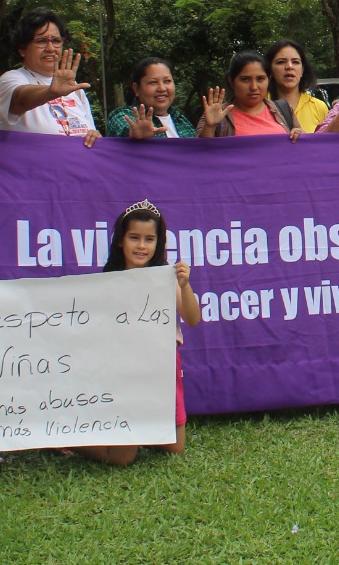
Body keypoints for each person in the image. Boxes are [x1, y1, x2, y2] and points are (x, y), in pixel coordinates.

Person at [79, 199, 202, 465]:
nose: (141, 246)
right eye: (134, 237)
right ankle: (72, 442)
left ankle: (145, 428)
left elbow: (193, 319)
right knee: (122, 459)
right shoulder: (108, 282)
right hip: (125, 375)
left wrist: (185, 285)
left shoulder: (166, 278)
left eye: (149, 239)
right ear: (121, 241)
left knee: (175, 447)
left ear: (159, 243)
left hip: (163, 369)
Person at [0, 9, 100, 146]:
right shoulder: (12, 78)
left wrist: (96, 137)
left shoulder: (75, 89)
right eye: (41, 41)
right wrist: (50, 92)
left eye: (56, 40)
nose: (50, 48)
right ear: (22, 49)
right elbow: (20, 100)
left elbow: (91, 134)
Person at [199, 51, 297, 139]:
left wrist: (300, 137)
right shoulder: (216, 116)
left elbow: (303, 151)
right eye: (245, 79)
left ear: (268, 80)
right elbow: (198, 154)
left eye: (260, 79)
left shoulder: (284, 111)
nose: (254, 87)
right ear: (232, 82)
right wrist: (209, 127)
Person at [106, 58, 197, 139]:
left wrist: (209, 126)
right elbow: (123, 128)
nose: (162, 88)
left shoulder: (180, 118)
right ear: (136, 88)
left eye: (167, 81)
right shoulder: (122, 115)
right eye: (153, 82)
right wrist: (134, 133)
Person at [267, 40, 330, 133]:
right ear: (270, 69)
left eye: (295, 62)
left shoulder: (319, 107)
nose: (289, 66)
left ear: (302, 70)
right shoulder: (259, 105)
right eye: (281, 62)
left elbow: (325, 145)